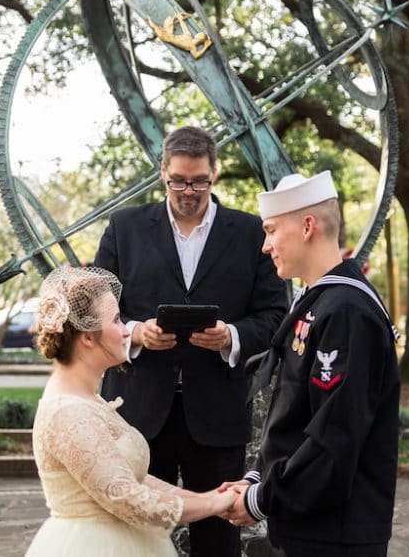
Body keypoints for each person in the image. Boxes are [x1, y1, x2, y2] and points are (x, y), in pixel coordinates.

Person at [93, 126, 288, 556]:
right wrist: (134, 334)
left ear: (214, 173)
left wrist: (231, 336)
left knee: (219, 533)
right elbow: (96, 306)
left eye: (199, 181)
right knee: (137, 533)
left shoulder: (252, 232)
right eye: (178, 180)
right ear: (162, 171)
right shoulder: (124, 227)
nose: (188, 191)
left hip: (217, 412)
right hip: (137, 411)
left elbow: (275, 314)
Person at [220, 171, 400, 557]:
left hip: (336, 532)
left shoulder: (347, 311)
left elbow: (334, 436)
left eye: (270, 231)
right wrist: (258, 478)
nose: (266, 246)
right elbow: (294, 412)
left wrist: (260, 498)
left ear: (307, 226)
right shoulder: (320, 302)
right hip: (308, 523)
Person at [25, 266, 237, 557]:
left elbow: (130, 476)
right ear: (87, 337)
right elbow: (130, 499)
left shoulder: (87, 399)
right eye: (116, 320)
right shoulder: (69, 413)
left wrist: (210, 497)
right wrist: (214, 505)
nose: (126, 331)